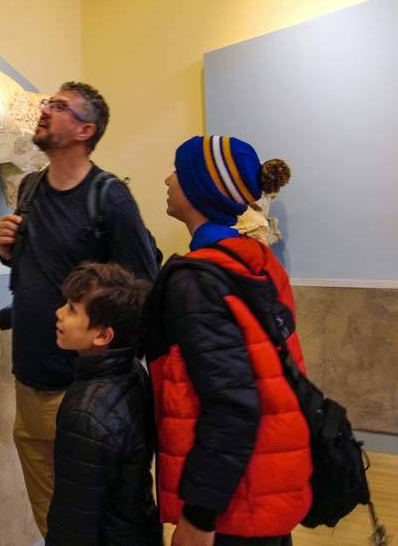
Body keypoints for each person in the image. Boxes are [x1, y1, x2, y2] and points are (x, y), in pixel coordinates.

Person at [0, 81, 159, 537]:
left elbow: (141, 288)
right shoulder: (29, 187)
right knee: (54, 525)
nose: (45, 110)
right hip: (28, 381)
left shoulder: (109, 198)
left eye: (59, 106)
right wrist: (7, 249)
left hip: (83, 394)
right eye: (48, 101)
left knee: (98, 524)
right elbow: (39, 269)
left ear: (85, 130)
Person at [145, 136, 310, 546]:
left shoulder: (199, 278)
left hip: (232, 502)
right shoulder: (256, 261)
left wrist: (199, 518)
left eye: (179, 173)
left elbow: (233, 403)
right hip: (264, 480)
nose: (168, 179)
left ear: (201, 189)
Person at [46, 263, 161, 546]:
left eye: (72, 309)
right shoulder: (132, 369)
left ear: (102, 336)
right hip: (137, 527)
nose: (59, 313)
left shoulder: (85, 413)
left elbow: (74, 519)